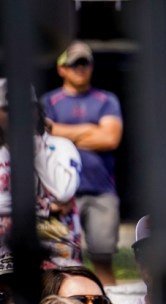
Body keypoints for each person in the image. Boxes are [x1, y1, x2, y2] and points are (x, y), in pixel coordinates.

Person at [42, 41, 123, 285]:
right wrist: (90, 129)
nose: (80, 69)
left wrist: (63, 134)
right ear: (61, 69)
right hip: (61, 196)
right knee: (61, 262)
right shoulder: (49, 102)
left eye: (84, 63)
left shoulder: (106, 100)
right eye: (74, 64)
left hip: (101, 192)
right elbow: (44, 136)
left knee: (102, 259)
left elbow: (110, 138)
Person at [0, 79, 83, 268]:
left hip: (57, 254)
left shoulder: (60, 147)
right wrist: (45, 206)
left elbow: (63, 191)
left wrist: (36, 147)